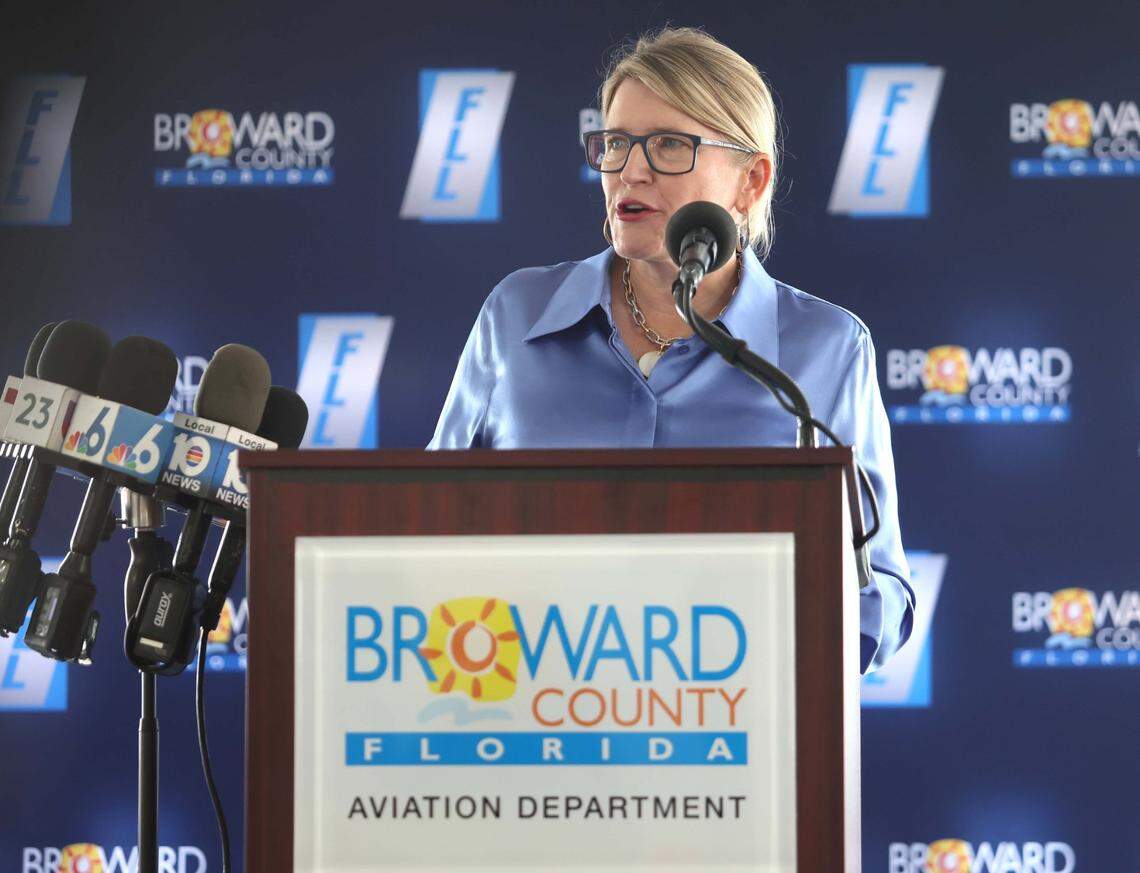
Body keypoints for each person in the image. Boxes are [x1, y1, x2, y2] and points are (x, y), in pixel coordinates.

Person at [428, 26, 913, 672]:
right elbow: (421, 532)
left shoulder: (825, 351)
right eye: (616, 143)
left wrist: (779, 645)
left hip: (735, 740)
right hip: (530, 727)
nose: (631, 169)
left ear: (750, 181)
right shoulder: (517, 318)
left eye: (668, 145)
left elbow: (881, 591)